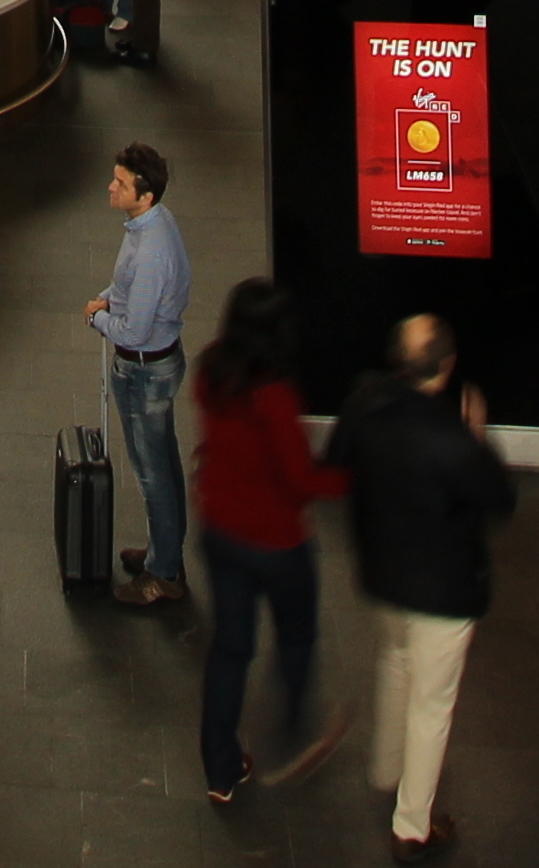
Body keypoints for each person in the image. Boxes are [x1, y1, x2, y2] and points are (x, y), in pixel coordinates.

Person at [331, 312, 513, 857]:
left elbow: (338, 459)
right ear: (447, 366)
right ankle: (412, 825)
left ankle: (386, 766)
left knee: (395, 661)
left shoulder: (365, 400)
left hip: (384, 576)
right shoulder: (450, 440)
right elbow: (499, 499)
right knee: (432, 707)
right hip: (443, 592)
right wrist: (477, 437)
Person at [191, 277, 342, 805]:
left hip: (219, 531)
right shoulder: (276, 398)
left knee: (230, 650)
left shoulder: (212, 368)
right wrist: (348, 478)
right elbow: (300, 481)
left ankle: (220, 770)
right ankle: (296, 714)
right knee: (297, 632)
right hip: (276, 544)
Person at [87, 141, 192, 607]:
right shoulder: (152, 223)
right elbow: (129, 287)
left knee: (153, 476)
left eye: (121, 183)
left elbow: (133, 330)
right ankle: (164, 553)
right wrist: (110, 295)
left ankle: (163, 574)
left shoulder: (150, 250)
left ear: (144, 195)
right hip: (159, 362)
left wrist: (97, 318)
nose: (112, 187)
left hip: (144, 372)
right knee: (164, 465)